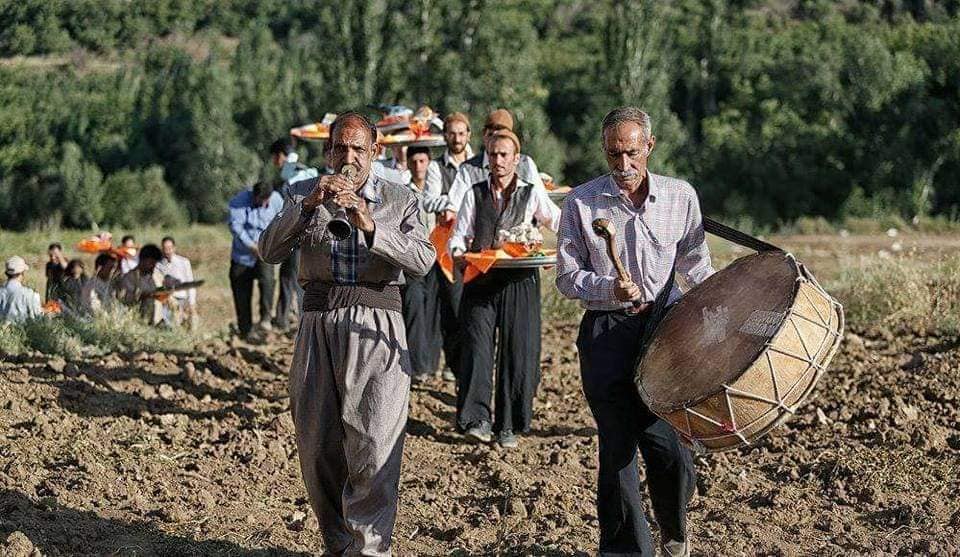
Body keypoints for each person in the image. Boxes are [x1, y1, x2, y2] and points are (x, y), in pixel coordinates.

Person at [259, 111, 435, 555]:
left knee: (374, 443)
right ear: (328, 150)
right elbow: (269, 250)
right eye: (340, 148)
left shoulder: (400, 198)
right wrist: (309, 206)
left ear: (375, 152)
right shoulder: (302, 191)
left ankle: (370, 549)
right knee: (318, 446)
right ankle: (337, 544)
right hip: (318, 322)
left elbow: (422, 260)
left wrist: (370, 223)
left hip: (377, 323)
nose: (349, 157)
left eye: (359, 148)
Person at [556, 107, 715, 557]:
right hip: (606, 333)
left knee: (669, 447)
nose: (622, 166)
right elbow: (567, 276)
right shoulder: (582, 202)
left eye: (631, 154)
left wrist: (716, 311)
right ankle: (626, 551)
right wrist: (608, 285)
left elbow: (696, 266)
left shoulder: (680, 197)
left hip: (664, 331)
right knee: (618, 448)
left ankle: (673, 530)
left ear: (649, 146)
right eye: (612, 155)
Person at [449, 129, 560, 449]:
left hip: (520, 279)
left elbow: (558, 221)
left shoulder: (530, 191)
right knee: (477, 349)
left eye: (504, 155)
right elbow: (460, 234)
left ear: (516, 159)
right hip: (481, 277)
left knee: (518, 351)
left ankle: (508, 424)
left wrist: (561, 251)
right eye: (493, 155)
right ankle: (476, 420)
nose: (498, 161)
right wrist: (458, 254)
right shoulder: (474, 192)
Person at [423, 112, 474, 381]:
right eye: (452, 133)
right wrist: (454, 203)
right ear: (445, 136)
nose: (457, 138)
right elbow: (428, 201)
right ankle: (454, 363)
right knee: (453, 308)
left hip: (478, 244)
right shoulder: (436, 168)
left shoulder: (480, 164)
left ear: (469, 135)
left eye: (461, 133)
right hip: (447, 246)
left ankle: (471, 362)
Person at [440, 108, 547, 224]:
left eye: (502, 137)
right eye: (491, 135)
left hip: (520, 236)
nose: (495, 142)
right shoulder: (468, 168)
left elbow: (543, 204)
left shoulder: (526, 164)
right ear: (484, 135)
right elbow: (454, 205)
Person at [400, 145, 442, 381]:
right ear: (408, 164)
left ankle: (432, 362)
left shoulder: (438, 192)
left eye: (423, 161)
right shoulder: (404, 192)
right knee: (414, 304)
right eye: (414, 162)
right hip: (414, 257)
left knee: (434, 309)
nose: (418, 166)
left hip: (437, 256)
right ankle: (418, 365)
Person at [271, 137, 320, 330]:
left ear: (280, 156)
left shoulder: (292, 173)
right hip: (301, 235)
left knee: (293, 279)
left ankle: (293, 320)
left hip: (296, 235)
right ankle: (287, 318)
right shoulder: (307, 171)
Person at [228, 180, 283, 338]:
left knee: (268, 282)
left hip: (265, 252)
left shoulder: (276, 199)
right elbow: (236, 228)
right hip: (243, 255)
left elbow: (282, 219)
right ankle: (246, 330)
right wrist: (252, 246)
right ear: (254, 195)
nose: (264, 203)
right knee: (242, 293)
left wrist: (271, 244)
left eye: (267, 200)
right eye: (261, 200)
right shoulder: (238, 202)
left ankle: (265, 320)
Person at [157, 236, 198, 329]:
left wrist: (192, 302)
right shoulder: (158, 265)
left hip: (182, 297)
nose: (167, 251)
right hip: (167, 298)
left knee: (191, 321)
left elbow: (190, 282)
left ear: (174, 248)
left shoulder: (184, 262)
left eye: (169, 248)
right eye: (165, 249)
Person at [118, 243, 166, 324]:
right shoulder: (130, 278)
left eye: (155, 263)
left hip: (157, 322)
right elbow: (125, 300)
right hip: (138, 324)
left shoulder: (156, 276)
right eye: (151, 263)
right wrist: (143, 296)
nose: (153, 266)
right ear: (143, 260)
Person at [0, 256, 42, 323]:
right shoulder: (30, 295)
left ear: (7, 273)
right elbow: (38, 318)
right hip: (22, 332)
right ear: (22, 273)